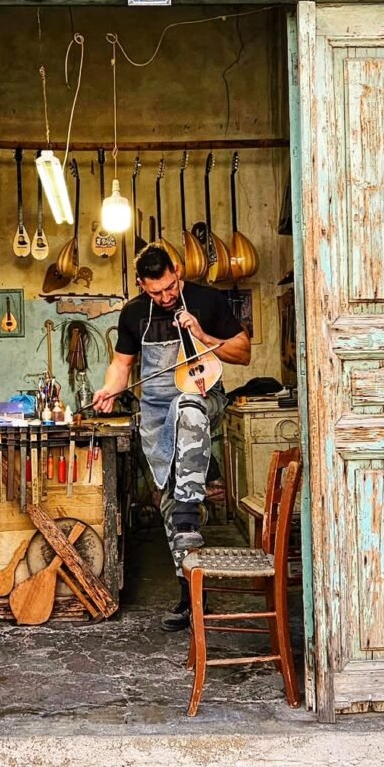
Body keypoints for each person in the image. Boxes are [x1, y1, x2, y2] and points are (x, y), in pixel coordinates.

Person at [92, 242, 251, 630]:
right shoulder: (133, 314)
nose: (164, 297)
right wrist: (110, 389)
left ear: (177, 271)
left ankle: (188, 504)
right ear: (142, 286)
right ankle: (190, 598)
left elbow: (243, 352)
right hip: (156, 411)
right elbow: (121, 364)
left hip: (202, 396)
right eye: (154, 292)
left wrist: (202, 333)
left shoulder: (207, 300)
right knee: (167, 500)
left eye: (168, 287)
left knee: (188, 408)